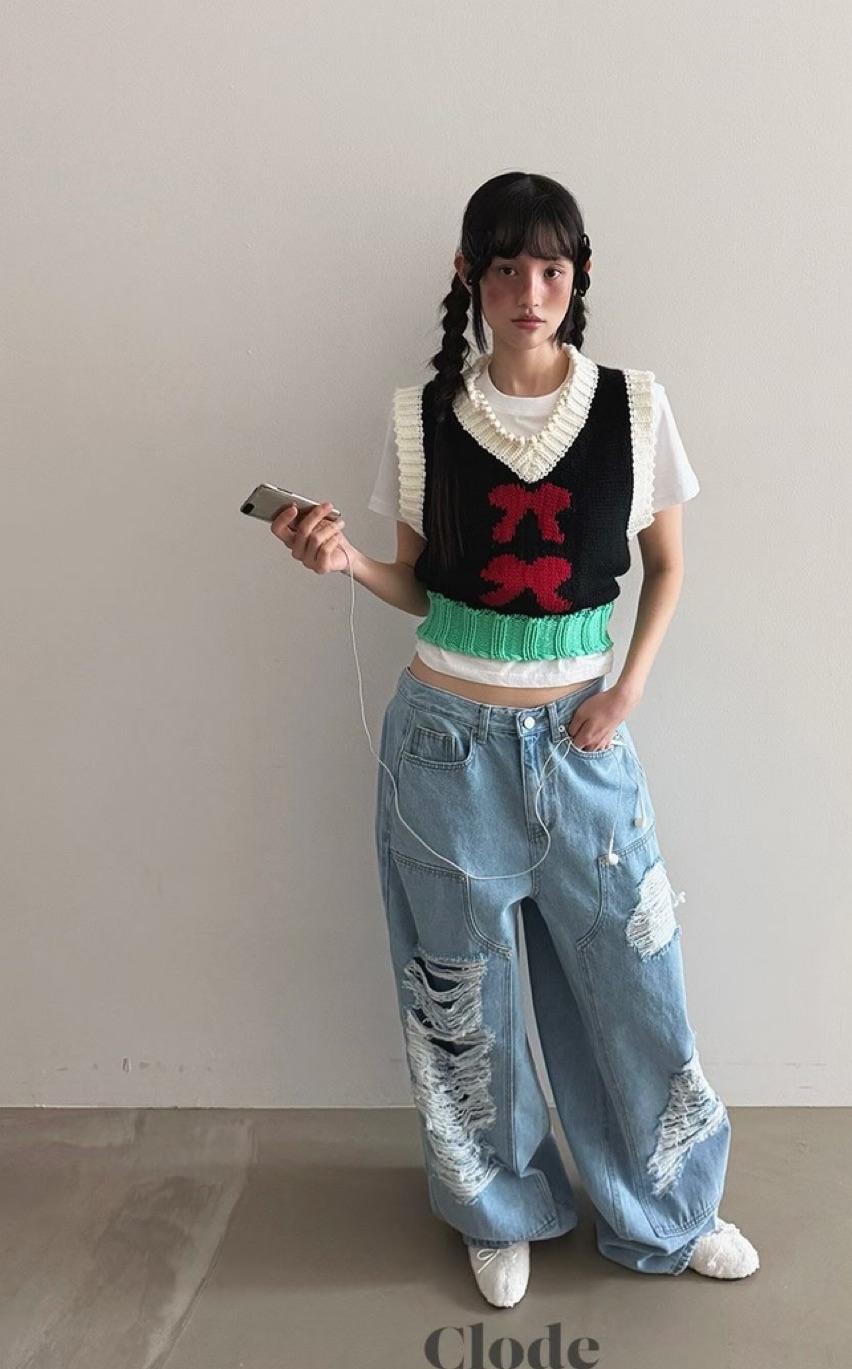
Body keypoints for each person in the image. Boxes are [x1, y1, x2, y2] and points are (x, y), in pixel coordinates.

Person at [270, 171, 759, 1309]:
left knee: (634, 986)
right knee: (463, 999)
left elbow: (669, 566)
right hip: (443, 750)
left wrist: (625, 693)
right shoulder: (420, 416)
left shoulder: (634, 407)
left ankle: (668, 1210)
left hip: (583, 745)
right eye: (506, 270)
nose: (530, 292)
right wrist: (346, 563)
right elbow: (422, 584)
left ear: (577, 277)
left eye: (551, 269)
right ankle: (496, 1207)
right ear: (470, 278)